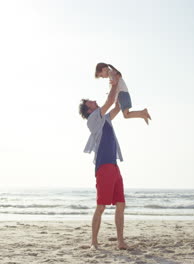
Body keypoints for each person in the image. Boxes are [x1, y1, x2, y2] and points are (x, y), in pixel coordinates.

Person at [78, 75, 128, 250]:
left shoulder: (105, 119)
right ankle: (94, 242)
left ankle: (121, 242)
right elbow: (108, 102)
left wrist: (120, 87)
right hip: (104, 166)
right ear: (88, 109)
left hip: (114, 165)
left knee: (121, 204)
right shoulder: (92, 120)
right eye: (90, 102)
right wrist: (113, 84)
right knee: (101, 206)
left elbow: (116, 106)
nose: (94, 101)